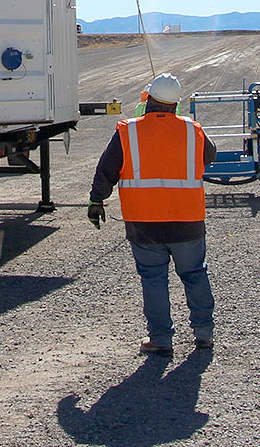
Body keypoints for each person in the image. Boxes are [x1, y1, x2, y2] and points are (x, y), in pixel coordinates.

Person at [89, 72, 218, 356]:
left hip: (144, 223)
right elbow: (209, 156)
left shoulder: (128, 131)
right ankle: (204, 333)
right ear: (176, 105)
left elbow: (106, 169)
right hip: (187, 220)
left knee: (153, 279)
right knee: (195, 274)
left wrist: (96, 201)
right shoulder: (192, 129)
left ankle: (160, 339)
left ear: (147, 100)